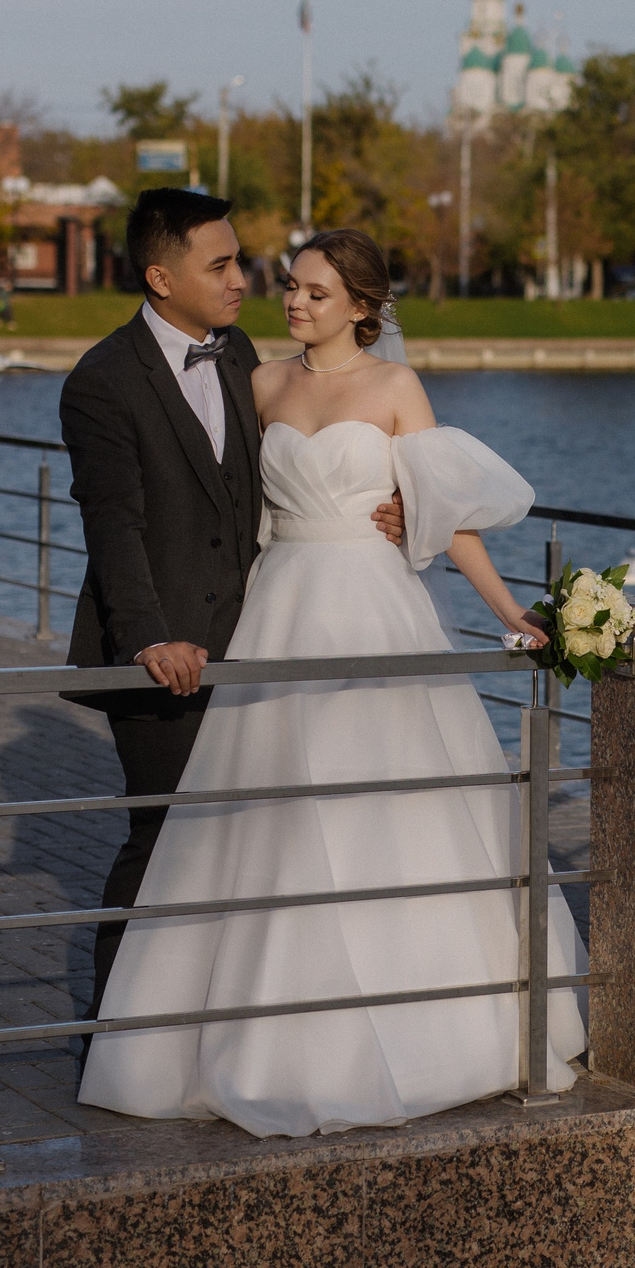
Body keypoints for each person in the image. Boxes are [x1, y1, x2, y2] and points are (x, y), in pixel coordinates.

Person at [78, 227, 586, 1135]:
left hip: (374, 610)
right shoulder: (260, 382)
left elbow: (450, 517)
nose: (294, 302)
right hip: (279, 610)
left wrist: (509, 612)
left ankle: (424, 1029)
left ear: (361, 305)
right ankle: (248, 1038)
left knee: (389, 808)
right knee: (271, 812)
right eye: (292, 287)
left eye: (316, 291)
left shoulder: (396, 388)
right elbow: (221, 499)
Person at [59, 190, 405, 1022]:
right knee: (165, 839)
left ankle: (219, 1022)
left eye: (240, 259)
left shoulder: (244, 352)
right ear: (160, 276)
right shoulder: (100, 382)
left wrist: (394, 510)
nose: (243, 279)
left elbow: (280, 481)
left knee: (252, 845)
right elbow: (115, 526)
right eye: (219, 265)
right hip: (162, 658)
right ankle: (118, 1032)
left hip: (255, 640)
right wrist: (149, 640)